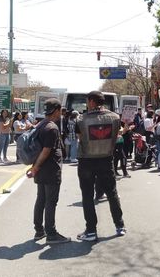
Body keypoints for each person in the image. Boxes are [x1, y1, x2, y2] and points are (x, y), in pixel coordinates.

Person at [75, 91, 126, 241]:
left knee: (88, 195)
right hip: (106, 159)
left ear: (91, 101)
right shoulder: (115, 118)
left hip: (87, 160)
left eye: (87, 101)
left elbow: (80, 138)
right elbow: (117, 135)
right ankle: (120, 226)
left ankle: (91, 231)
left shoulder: (81, 119)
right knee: (112, 193)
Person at [26, 99, 70, 244]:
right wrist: (36, 167)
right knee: (51, 202)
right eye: (60, 110)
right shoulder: (52, 128)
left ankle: (39, 231)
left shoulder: (41, 124)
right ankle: (51, 234)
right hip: (50, 169)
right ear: (57, 110)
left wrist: (35, 167)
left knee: (41, 199)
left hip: (41, 169)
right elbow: (46, 151)